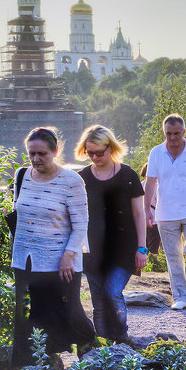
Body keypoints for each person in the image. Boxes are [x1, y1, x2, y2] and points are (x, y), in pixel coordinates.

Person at [10, 127, 94, 369]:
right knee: (27, 314)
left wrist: (69, 255)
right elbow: (19, 212)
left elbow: (81, 224)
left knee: (69, 311)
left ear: (55, 151)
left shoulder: (71, 180)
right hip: (25, 257)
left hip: (61, 259)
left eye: (42, 154)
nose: (36, 159)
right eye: (31, 153)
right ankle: (29, 367)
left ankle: (91, 351)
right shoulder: (22, 175)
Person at [76, 125, 146, 346]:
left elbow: (139, 213)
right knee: (98, 298)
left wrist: (142, 248)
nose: (95, 157)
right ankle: (103, 343)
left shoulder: (128, 175)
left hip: (124, 248)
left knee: (112, 291)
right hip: (93, 251)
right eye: (90, 153)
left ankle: (121, 336)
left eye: (100, 152)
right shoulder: (81, 178)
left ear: (111, 147)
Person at [144, 114, 186, 309]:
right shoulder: (156, 153)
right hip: (166, 213)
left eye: (176, 133)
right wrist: (147, 209)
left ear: (183, 132)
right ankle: (181, 296)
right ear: (164, 133)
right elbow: (150, 183)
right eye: (168, 134)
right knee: (173, 256)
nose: (173, 138)